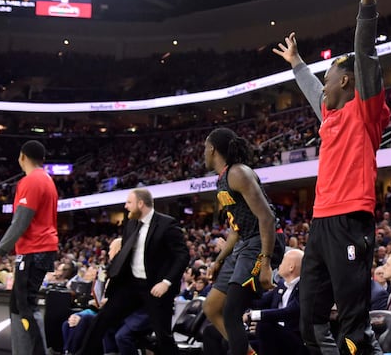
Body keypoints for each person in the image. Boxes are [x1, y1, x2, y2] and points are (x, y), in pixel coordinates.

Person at [273, 0, 390, 355]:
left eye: (328, 78)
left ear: (346, 80)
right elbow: (310, 90)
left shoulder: (365, 109)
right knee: (310, 322)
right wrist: (298, 63)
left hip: (351, 219)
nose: (323, 85)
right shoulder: (331, 114)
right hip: (321, 224)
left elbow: (365, 52)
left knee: (354, 325)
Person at [76, 189, 188, 355]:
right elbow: (125, 255)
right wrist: (109, 273)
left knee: (163, 336)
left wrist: (166, 282)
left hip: (156, 287)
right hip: (132, 285)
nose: (125, 206)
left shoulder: (167, 224)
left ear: (140, 204)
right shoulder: (131, 224)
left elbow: (182, 256)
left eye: (129, 202)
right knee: (101, 320)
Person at [202, 127, 278, 355]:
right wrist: (218, 260)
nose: (203, 153)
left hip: (260, 242)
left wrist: (265, 263)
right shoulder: (222, 179)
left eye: (205, 148)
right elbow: (235, 230)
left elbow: (267, 217)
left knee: (232, 312)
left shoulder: (238, 173)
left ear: (212, 149)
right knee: (212, 306)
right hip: (244, 243)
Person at [0, 140, 58, 355]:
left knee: (25, 307)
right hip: (39, 249)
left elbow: (20, 221)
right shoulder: (47, 179)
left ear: (22, 156)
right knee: (20, 306)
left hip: (34, 250)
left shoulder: (32, 181)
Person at [246, 249, 306, 355]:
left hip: (294, 339)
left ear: (291, 267)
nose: (279, 264)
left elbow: (289, 312)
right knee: (236, 339)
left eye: (282, 261)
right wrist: (238, 296)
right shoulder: (281, 284)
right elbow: (259, 302)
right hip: (271, 334)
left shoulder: (305, 287)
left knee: (264, 326)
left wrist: (254, 315)